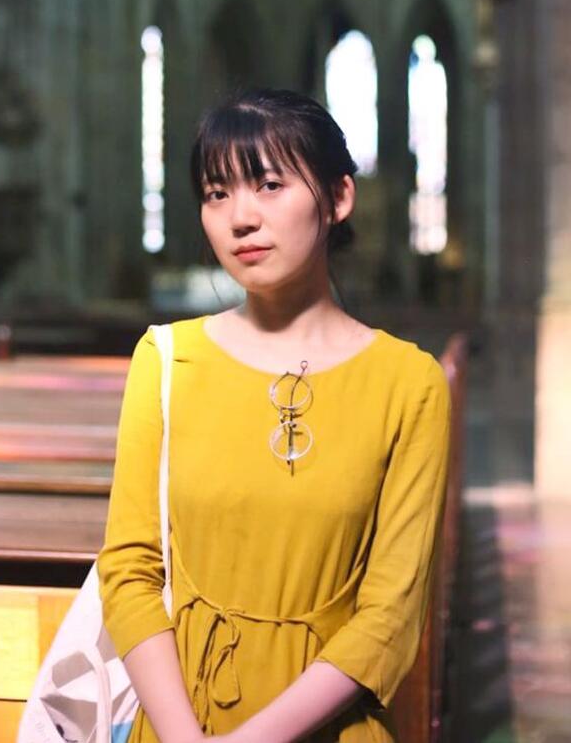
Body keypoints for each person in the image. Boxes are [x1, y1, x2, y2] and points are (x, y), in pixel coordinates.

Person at [97, 87, 451, 743]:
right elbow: (129, 571)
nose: (240, 218)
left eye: (268, 185)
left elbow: (390, 616)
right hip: (178, 722)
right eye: (216, 193)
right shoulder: (166, 359)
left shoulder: (410, 384)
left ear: (338, 197)